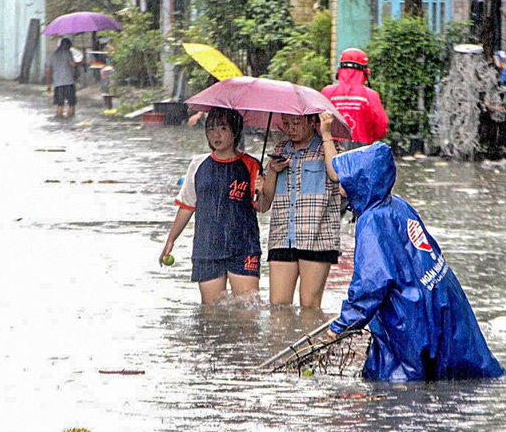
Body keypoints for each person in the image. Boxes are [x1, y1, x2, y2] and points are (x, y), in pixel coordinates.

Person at [325, 142, 506, 382]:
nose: (339, 183)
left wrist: (343, 324)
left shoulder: (372, 221)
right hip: (439, 295)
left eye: (345, 178)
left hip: (410, 310)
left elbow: (371, 282)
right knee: (457, 374)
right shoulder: (398, 205)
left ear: (361, 181)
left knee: (403, 385)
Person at [160, 107, 265, 304]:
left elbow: (262, 207)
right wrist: (171, 239)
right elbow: (187, 205)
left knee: (248, 311)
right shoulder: (198, 164)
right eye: (211, 129)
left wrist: (264, 189)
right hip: (207, 247)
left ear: (235, 131)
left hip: (244, 245)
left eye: (223, 128)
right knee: (211, 314)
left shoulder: (251, 165)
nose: (216, 135)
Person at [256, 112, 341, 307]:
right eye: (286, 123)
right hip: (282, 235)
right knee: (278, 306)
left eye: (296, 123)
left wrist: (326, 133)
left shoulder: (328, 148)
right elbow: (264, 205)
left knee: (310, 306)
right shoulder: (279, 151)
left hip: (317, 238)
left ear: (313, 122)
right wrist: (269, 176)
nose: (291, 129)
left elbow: (336, 175)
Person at [321, 48, 388, 150]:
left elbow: (316, 122)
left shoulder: (327, 92)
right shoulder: (370, 95)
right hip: (361, 151)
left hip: (330, 149)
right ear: (364, 71)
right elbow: (381, 127)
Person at [45, 37, 78, 117]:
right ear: (68, 45)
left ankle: (60, 121)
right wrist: (80, 63)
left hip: (57, 84)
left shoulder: (52, 54)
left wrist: (48, 84)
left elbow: (48, 70)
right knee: (71, 104)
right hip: (69, 82)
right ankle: (70, 120)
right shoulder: (68, 52)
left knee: (60, 105)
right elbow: (72, 64)